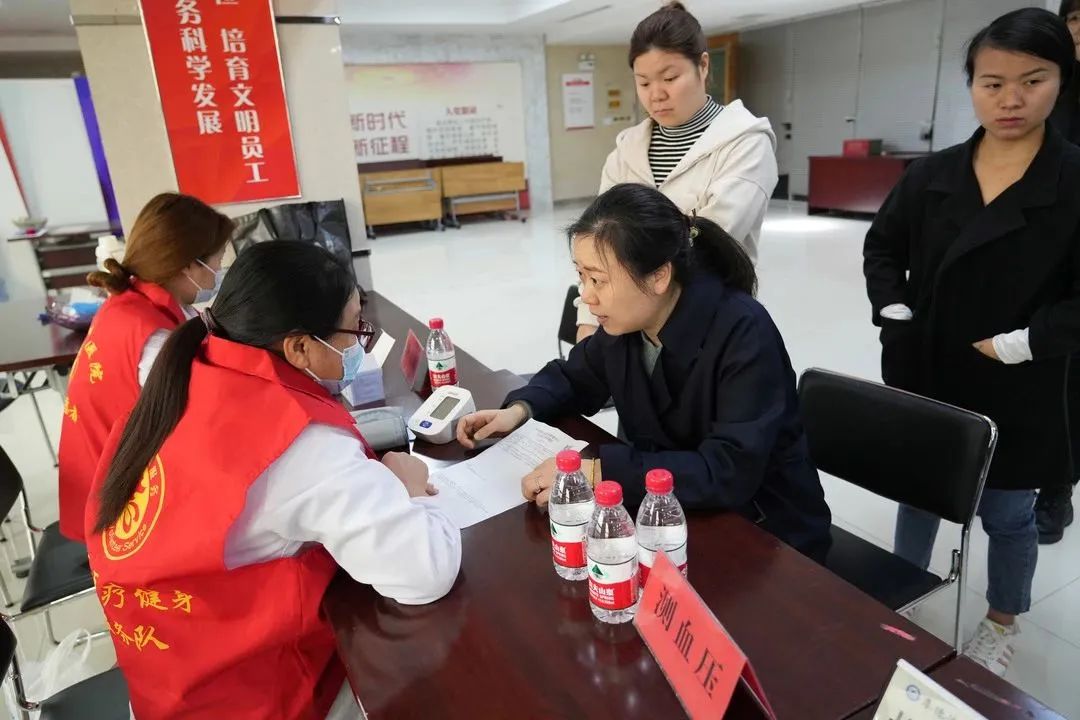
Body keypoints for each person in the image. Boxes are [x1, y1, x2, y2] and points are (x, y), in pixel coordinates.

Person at [85, 241, 461, 720]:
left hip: (170, 683)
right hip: (254, 697)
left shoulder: (190, 369)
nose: (359, 346)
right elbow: (425, 573)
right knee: (440, 666)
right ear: (299, 346)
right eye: (354, 331)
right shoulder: (298, 445)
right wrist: (408, 488)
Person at [863, 8, 1080, 677]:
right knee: (919, 492)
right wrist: (894, 308)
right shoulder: (932, 174)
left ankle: (1001, 619)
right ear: (972, 86)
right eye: (992, 83)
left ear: (1061, 81)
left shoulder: (1074, 179)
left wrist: (1028, 341)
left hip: (1021, 380)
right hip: (928, 368)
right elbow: (883, 247)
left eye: (1032, 81)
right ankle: (902, 592)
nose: (1011, 99)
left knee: (1009, 511)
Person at [458, 183, 831, 561]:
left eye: (598, 279)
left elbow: (726, 471)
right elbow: (573, 376)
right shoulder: (627, 323)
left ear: (658, 276)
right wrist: (518, 410)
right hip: (669, 516)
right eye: (581, 276)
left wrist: (598, 472)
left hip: (764, 533)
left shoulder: (743, 331)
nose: (586, 296)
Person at [577, 1, 778, 342]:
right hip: (629, 324)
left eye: (670, 78)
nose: (656, 95)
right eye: (643, 83)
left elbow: (708, 244)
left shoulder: (744, 143)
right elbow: (597, 243)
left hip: (709, 323)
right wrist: (589, 320)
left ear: (703, 66)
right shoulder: (627, 151)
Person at [57, 192, 233, 542]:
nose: (219, 271)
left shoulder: (130, 302)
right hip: (119, 510)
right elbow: (200, 428)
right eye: (218, 259)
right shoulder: (152, 339)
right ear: (188, 265)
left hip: (103, 483)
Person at [1035, 0, 1080, 544]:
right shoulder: (1048, 87)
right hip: (1036, 239)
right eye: (1073, 17)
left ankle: (1056, 490)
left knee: (1069, 382)